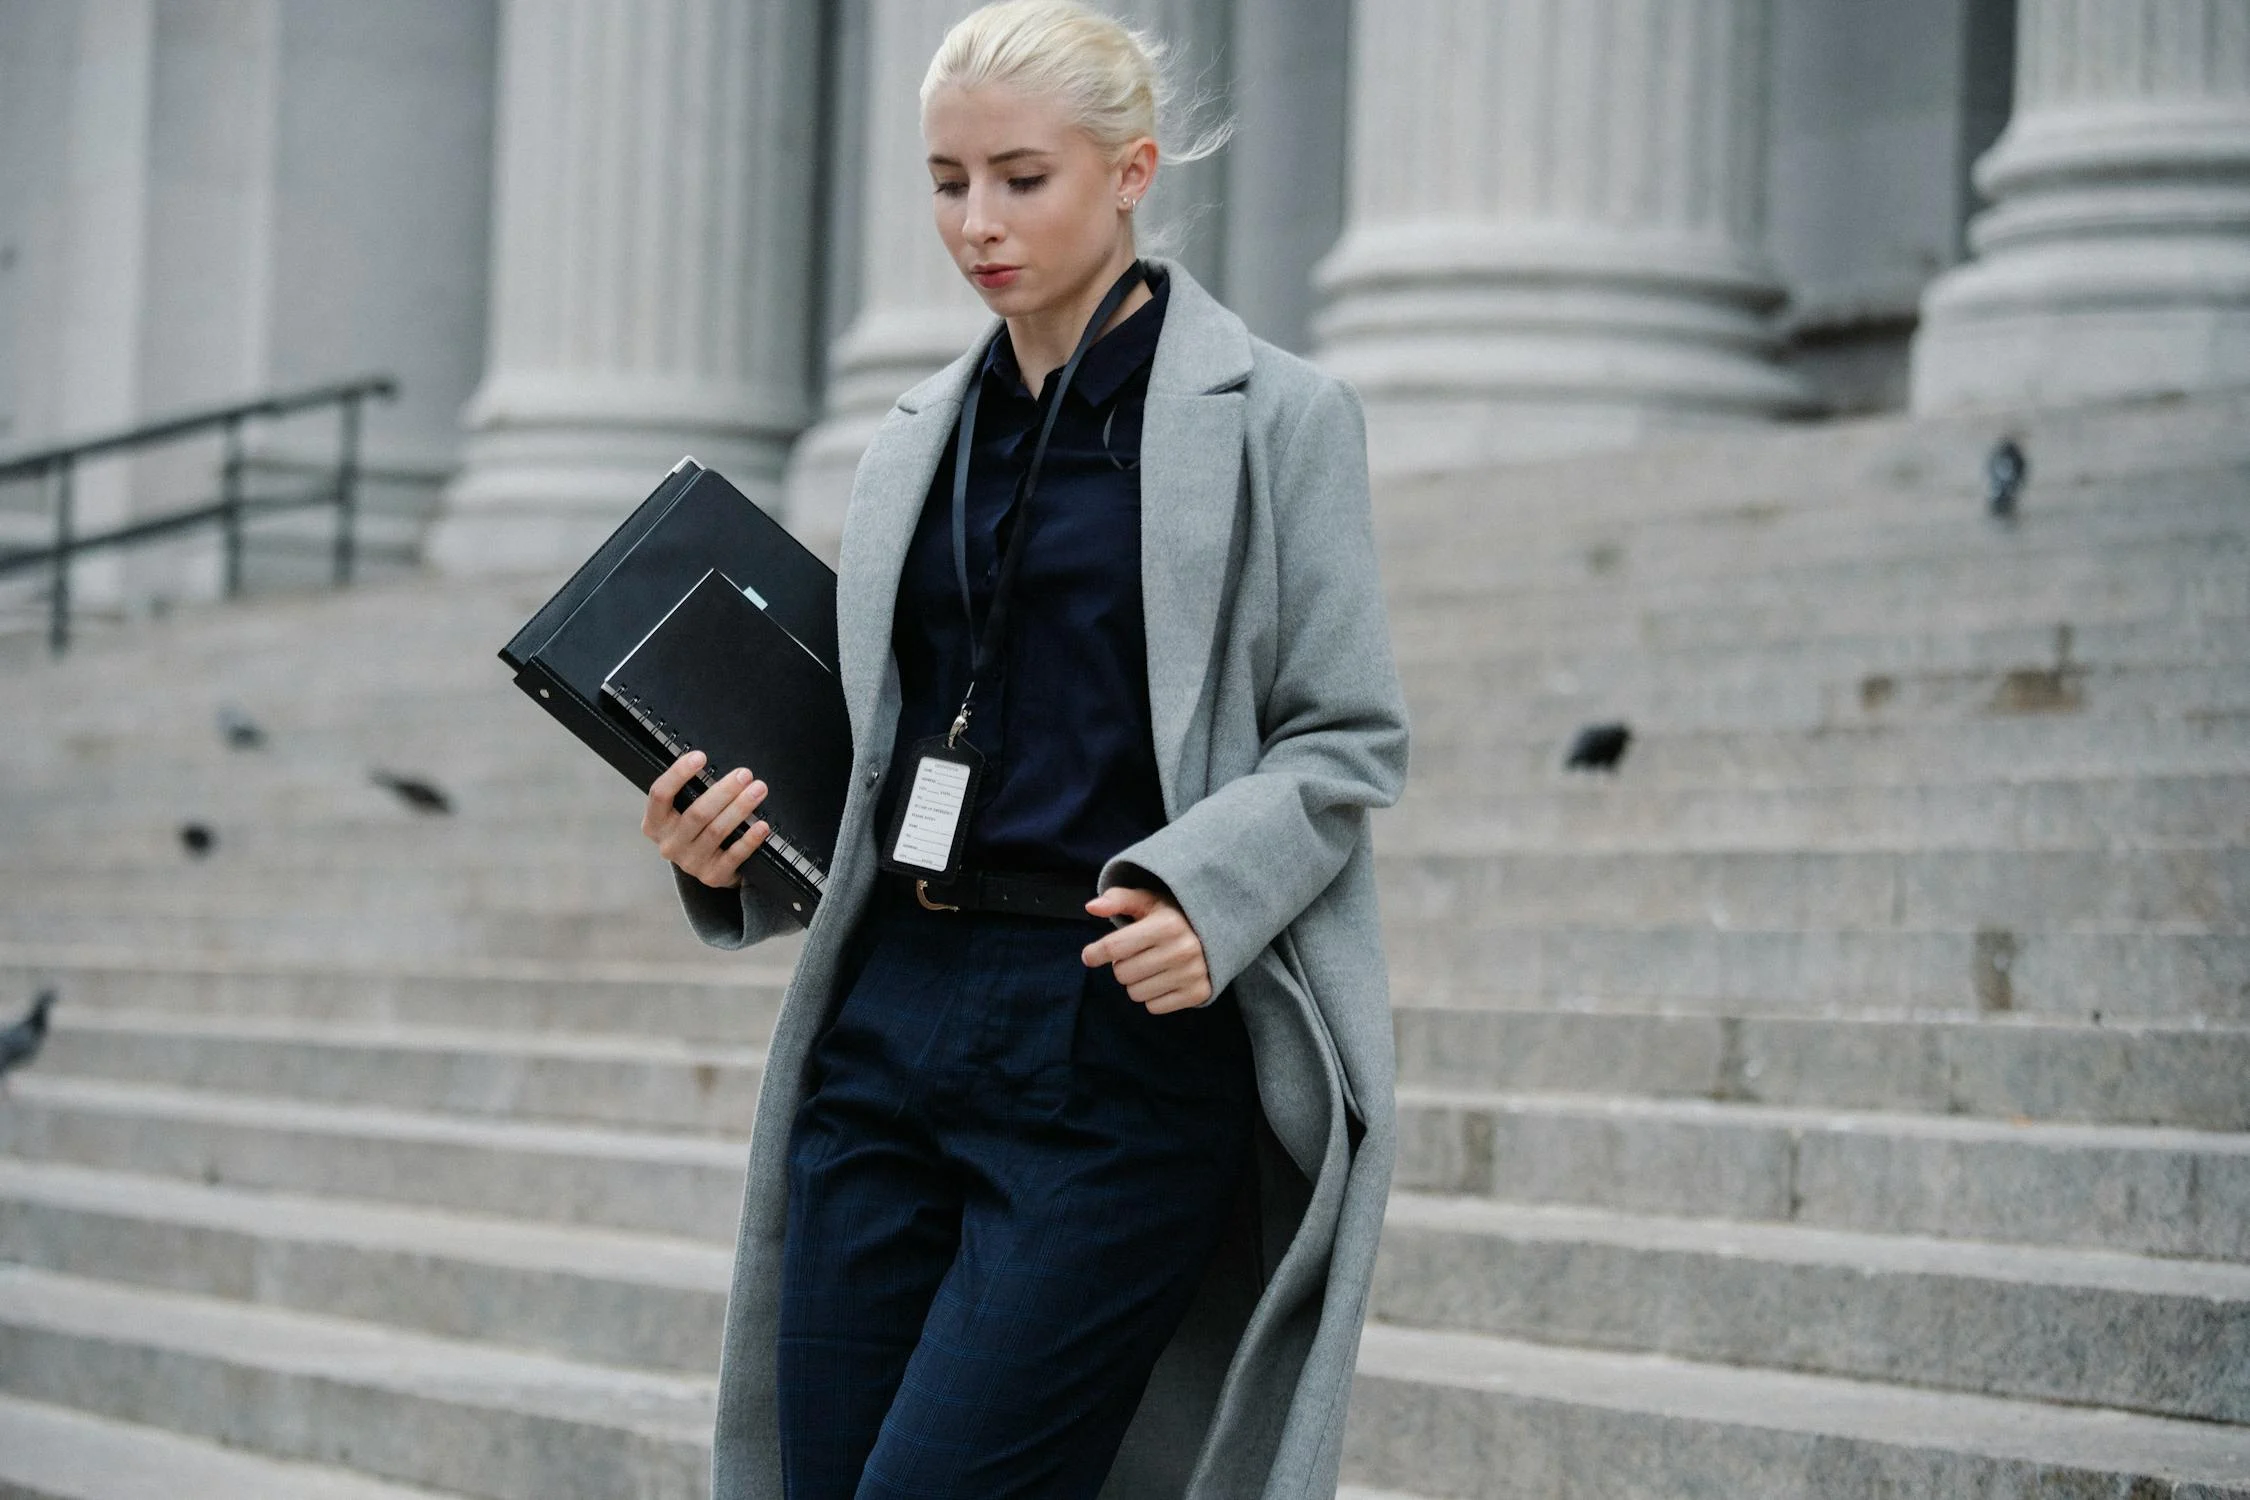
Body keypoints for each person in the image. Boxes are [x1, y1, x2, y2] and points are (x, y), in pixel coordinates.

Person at [640, 3, 1408, 1496]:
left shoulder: (1280, 419)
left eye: (1018, 177)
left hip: (1112, 1039)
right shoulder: (910, 437)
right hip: (886, 1020)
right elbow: (877, 750)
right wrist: (724, 840)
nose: (975, 223)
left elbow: (1344, 735)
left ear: (1129, 173)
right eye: (945, 182)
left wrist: (1210, 892)